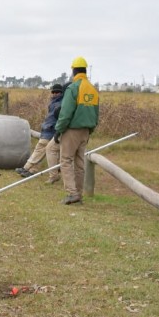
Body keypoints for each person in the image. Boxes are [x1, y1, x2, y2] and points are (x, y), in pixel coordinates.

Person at [54, 56, 100, 205]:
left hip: (72, 130)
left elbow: (65, 113)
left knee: (66, 160)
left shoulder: (73, 88)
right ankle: (79, 194)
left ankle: (72, 193)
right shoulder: (93, 89)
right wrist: (90, 130)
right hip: (86, 131)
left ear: (74, 70)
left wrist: (58, 130)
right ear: (85, 70)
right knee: (80, 163)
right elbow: (96, 113)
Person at [15, 84, 65, 181]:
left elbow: (57, 119)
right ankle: (32, 170)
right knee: (42, 151)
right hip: (47, 129)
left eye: (57, 92)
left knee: (40, 149)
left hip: (51, 130)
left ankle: (26, 167)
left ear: (62, 93)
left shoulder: (59, 104)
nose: (55, 94)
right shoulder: (54, 103)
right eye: (53, 92)